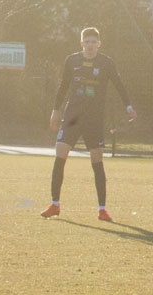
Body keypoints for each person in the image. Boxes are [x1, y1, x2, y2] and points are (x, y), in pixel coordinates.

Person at [40, 27, 136, 222]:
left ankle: (102, 209)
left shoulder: (106, 63)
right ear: (81, 43)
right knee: (60, 155)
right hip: (72, 117)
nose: (90, 46)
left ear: (99, 44)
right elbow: (63, 86)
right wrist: (55, 111)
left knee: (97, 161)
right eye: (87, 42)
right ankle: (55, 204)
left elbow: (119, 84)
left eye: (94, 42)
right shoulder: (71, 61)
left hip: (94, 119)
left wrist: (128, 106)